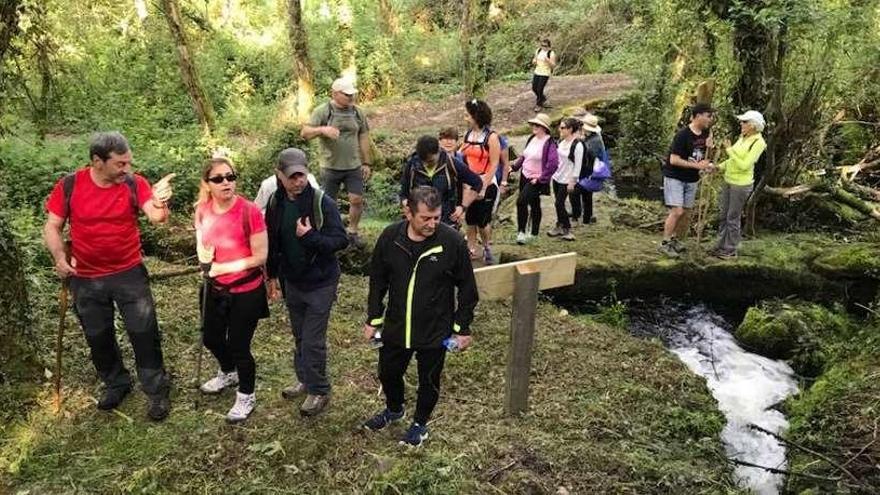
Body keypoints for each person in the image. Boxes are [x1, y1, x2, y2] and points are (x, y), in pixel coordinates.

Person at [42, 131, 174, 421]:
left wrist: (161, 201)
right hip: (86, 277)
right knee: (98, 335)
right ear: (97, 161)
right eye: (120, 164)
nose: (126, 169)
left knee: (144, 333)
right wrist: (59, 258)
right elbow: (53, 226)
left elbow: (156, 217)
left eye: (128, 162)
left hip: (128, 273)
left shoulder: (133, 183)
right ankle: (116, 383)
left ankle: (156, 389)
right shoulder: (70, 185)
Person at [362, 186, 478, 447]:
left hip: (435, 328)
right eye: (425, 218)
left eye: (437, 217)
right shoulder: (391, 238)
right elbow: (377, 281)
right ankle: (394, 409)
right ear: (408, 212)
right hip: (397, 325)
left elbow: (468, 289)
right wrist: (373, 319)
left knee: (429, 379)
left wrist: (462, 328)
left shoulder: (451, 242)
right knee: (388, 373)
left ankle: (420, 424)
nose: (432, 223)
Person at [265, 148, 349, 417]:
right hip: (293, 281)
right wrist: (272, 276)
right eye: (292, 176)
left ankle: (319, 390)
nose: (298, 181)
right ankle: (305, 379)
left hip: (321, 282)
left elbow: (340, 241)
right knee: (300, 335)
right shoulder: (275, 203)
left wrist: (311, 237)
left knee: (313, 340)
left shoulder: (322, 203)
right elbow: (273, 242)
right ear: (280, 175)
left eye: (302, 174)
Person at [193, 157, 269, 423]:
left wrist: (221, 268)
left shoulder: (249, 211)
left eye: (230, 176)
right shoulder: (202, 210)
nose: (226, 182)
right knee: (210, 337)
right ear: (207, 184)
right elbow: (202, 244)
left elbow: (260, 257)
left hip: (245, 289)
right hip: (213, 288)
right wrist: (204, 259)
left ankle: (246, 394)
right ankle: (228, 372)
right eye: (218, 178)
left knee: (239, 345)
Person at [300, 77, 371, 247]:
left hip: (353, 165)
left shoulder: (357, 112)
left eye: (352, 94)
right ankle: (332, 231)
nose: (350, 98)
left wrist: (367, 162)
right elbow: (305, 133)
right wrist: (322, 129)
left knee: (356, 200)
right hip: (330, 166)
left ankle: (353, 232)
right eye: (346, 95)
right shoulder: (323, 111)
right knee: (328, 202)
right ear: (335, 94)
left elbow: (364, 136)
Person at [660, 103, 715, 258]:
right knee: (677, 211)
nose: (710, 119)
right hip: (675, 177)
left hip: (692, 179)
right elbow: (674, 160)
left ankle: (674, 240)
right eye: (708, 116)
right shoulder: (682, 135)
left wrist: (708, 164)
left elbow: (704, 157)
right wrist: (697, 165)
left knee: (686, 213)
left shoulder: (706, 133)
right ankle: (664, 243)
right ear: (698, 116)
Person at [710, 110, 767, 259]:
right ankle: (721, 245)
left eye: (745, 122)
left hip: (741, 185)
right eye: (742, 121)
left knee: (732, 217)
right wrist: (719, 167)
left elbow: (744, 165)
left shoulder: (759, 142)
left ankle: (731, 249)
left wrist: (728, 150)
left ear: (753, 125)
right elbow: (732, 160)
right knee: (723, 215)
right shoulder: (743, 137)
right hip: (728, 180)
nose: (741, 124)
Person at [399, 135, 482, 226]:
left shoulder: (452, 164)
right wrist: (406, 205)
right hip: (419, 223)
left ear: (439, 151)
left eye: (431, 161)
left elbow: (477, 183)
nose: (426, 164)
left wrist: (462, 207)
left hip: (446, 222)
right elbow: (404, 192)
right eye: (423, 161)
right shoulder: (412, 165)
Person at [460, 99, 501, 264]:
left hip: (487, 182)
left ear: (476, 117)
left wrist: (483, 185)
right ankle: (470, 249)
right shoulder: (468, 135)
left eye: (468, 115)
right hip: (470, 181)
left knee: (482, 221)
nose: (465, 118)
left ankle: (486, 247)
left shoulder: (491, 137)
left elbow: (494, 163)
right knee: (470, 219)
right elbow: (462, 154)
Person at [512, 113, 559, 244]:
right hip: (524, 175)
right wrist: (514, 167)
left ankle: (523, 232)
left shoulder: (550, 143)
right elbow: (524, 156)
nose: (534, 127)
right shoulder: (532, 138)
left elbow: (553, 164)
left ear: (544, 128)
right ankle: (532, 232)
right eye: (534, 124)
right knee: (534, 203)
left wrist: (541, 178)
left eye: (537, 125)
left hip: (535, 179)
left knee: (521, 202)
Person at [548, 117, 584, 241]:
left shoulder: (577, 145)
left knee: (559, 203)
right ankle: (559, 225)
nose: (560, 129)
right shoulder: (561, 142)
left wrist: (573, 181)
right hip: (557, 176)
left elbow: (578, 165)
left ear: (570, 129)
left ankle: (567, 229)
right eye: (560, 127)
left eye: (563, 127)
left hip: (567, 179)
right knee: (558, 203)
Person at [570, 113, 606, 226]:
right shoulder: (592, 137)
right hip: (588, 171)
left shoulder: (594, 141)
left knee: (575, 192)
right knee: (587, 195)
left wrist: (580, 142)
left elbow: (588, 156)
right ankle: (587, 217)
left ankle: (578, 214)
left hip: (590, 172)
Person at [531, 38, 557, 112]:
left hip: (545, 73)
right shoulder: (538, 51)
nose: (543, 47)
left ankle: (539, 104)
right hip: (537, 71)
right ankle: (543, 99)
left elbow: (553, 65)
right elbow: (535, 59)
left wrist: (548, 61)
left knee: (540, 89)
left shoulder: (551, 53)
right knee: (534, 88)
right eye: (542, 45)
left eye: (545, 46)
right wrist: (534, 61)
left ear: (549, 46)